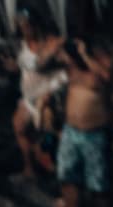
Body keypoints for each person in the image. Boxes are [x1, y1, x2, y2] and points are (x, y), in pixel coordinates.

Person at [57, 35, 113, 207]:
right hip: (71, 131)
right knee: (68, 177)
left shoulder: (103, 64)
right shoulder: (72, 67)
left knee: (98, 184)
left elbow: (106, 77)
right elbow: (50, 63)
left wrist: (85, 54)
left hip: (94, 133)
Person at [12, 10, 66, 184]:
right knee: (19, 126)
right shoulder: (22, 44)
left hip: (49, 95)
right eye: (21, 27)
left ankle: (64, 178)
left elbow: (43, 65)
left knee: (53, 135)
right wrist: (14, 66)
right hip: (30, 95)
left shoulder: (52, 42)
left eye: (27, 26)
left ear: (36, 25)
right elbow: (25, 66)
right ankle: (30, 170)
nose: (25, 31)